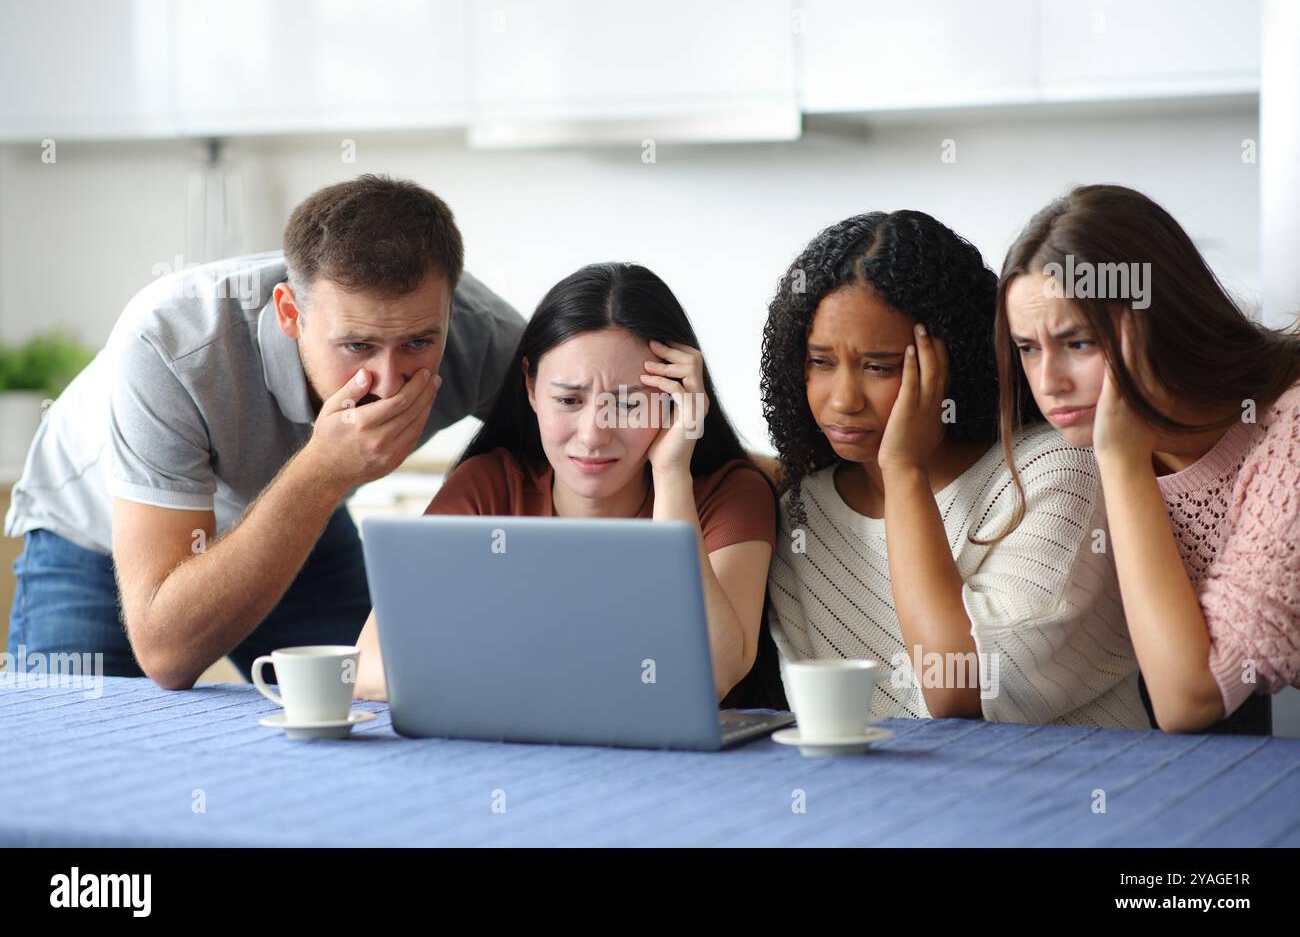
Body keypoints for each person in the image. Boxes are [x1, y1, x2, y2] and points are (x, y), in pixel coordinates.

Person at [5, 174, 524, 689]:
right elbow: (167, 654)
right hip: (97, 537)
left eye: (417, 343)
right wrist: (323, 470)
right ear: (289, 313)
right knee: (75, 738)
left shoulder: (483, 335)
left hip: (302, 518)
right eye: (357, 346)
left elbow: (575, 455)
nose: (387, 382)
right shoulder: (172, 342)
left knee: (389, 697)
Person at [761, 211, 1149, 728]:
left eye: (879, 366)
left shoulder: (1056, 474)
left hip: (1080, 794)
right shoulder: (804, 515)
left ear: (953, 360)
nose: (844, 400)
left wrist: (902, 472)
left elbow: (958, 692)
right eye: (820, 362)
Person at [354, 262, 776, 704]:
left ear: (676, 401)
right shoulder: (490, 485)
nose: (593, 434)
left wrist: (672, 475)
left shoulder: (730, 495)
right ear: (532, 389)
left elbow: (710, 673)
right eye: (569, 400)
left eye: (629, 404)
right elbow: (370, 664)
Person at [998, 183, 1300, 733]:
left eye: (1080, 342)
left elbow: (1189, 700)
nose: (1049, 383)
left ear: (1160, 321)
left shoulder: (1289, 431)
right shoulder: (1095, 438)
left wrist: (1120, 462)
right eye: (1028, 348)